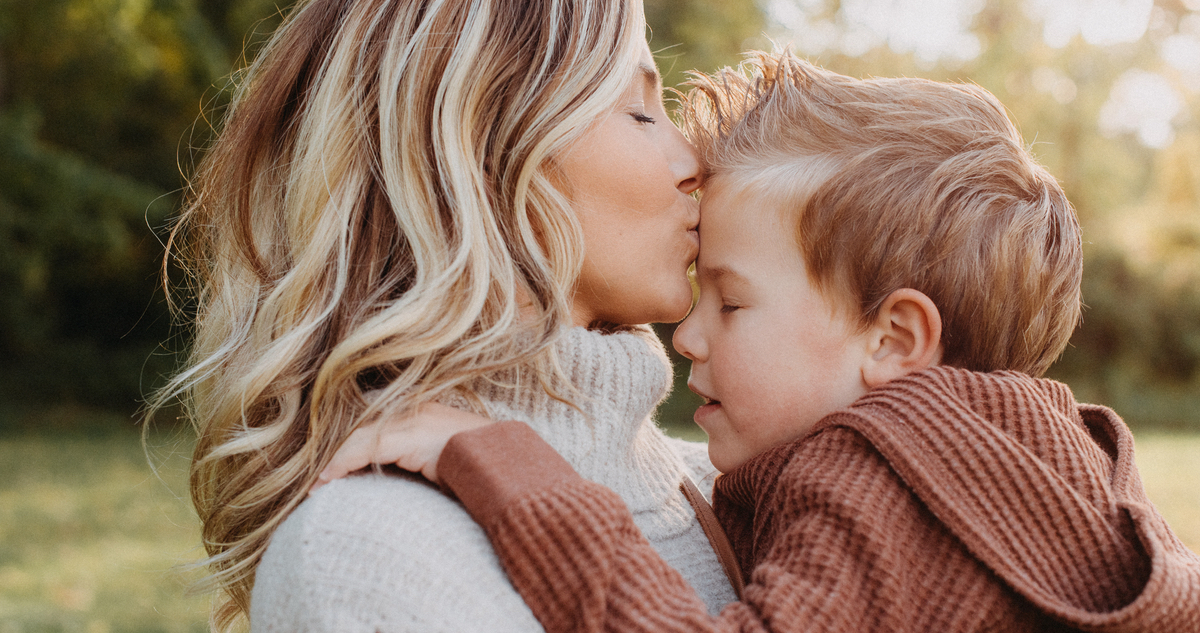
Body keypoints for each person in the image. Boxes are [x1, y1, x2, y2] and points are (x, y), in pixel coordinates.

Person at [319, 52, 1200, 631]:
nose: (688, 333)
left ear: (894, 337)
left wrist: (504, 463)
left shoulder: (878, 475)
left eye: (732, 304)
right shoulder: (1026, 451)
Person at [148, 0, 743, 630]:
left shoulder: (744, 491)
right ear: (478, 155)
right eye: (641, 112)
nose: (694, 165)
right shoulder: (377, 551)